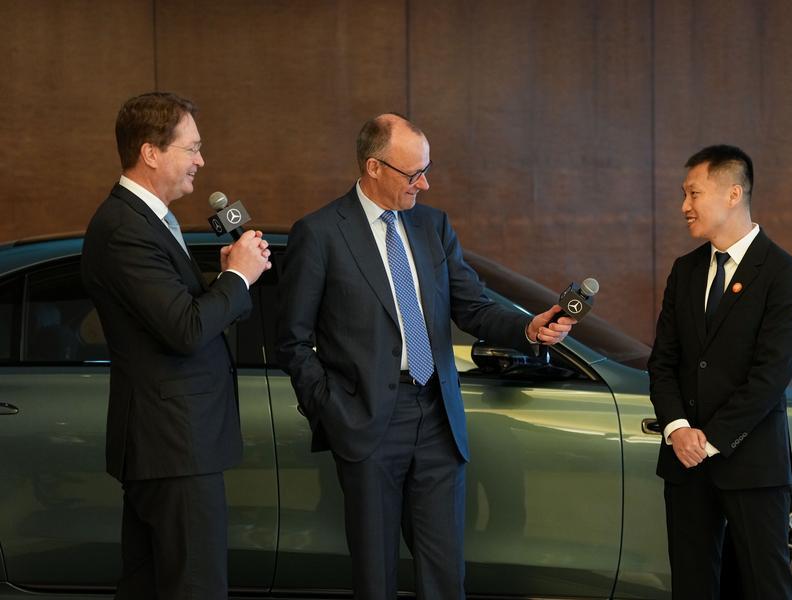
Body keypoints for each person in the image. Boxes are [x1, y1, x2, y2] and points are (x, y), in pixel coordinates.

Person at [276, 113, 575, 600]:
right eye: (413, 174)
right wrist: (331, 409)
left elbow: (473, 306)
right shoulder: (321, 232)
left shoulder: (433, 226)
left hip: (437, 415)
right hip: (366, 420)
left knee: (445, 576)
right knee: (375, 577)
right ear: (374, 168)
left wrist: (529, 328)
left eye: (426, 170)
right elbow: (291, 340)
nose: (425, 184)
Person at [81, 92, 271, 599]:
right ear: (151, 152)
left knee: (152, 586)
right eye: (192, 148)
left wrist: (231, 279)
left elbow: (178, 316)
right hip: (172, 443)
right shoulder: (125, 229)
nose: (201, 161)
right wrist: (237, 279)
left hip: (173, 443)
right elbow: (185, 330)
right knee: (194, 586)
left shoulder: (148, 221)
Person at [648, 144, 792, 599]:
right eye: (684, 195)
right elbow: (663, 362)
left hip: (751, 462)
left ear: (733, 194)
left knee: (764, 585)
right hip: (684, 463)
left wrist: (711, 439)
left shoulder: (781, 273)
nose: (684, 206)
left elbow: (771, 375)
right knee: (691, 586)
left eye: (694, 193)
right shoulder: (685, 270)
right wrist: (678, 430)